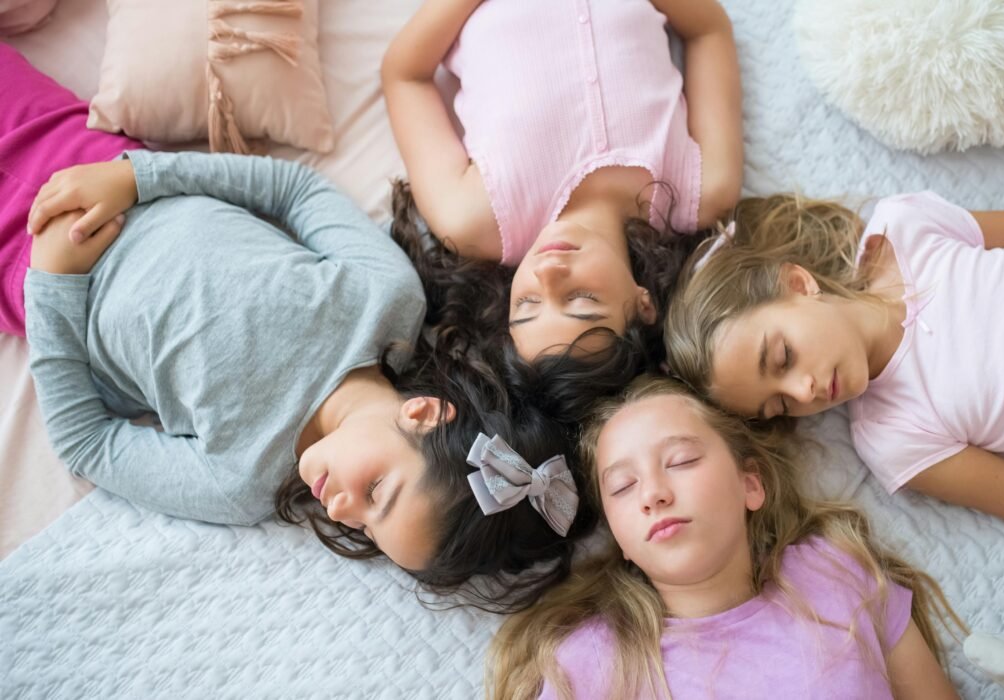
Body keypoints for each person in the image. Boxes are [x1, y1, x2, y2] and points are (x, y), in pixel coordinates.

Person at [10, 45, 592, 610]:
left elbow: (88, 444)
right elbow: (295, 191)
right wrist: (136, 177)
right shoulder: (385, 300)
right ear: (423, 414)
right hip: (90, 163)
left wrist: (52, 278)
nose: (341, 511)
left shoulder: (242, 480)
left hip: (26, 268)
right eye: (375, 493)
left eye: (364, 529)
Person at [664, 190, 1004, 538]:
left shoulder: (905, 228)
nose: (804, 392)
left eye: (782, 357)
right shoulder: (895, 436)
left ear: (797, 283)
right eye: (780, 405)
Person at [490, 377, 961, 699]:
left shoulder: (834, 571)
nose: (653, 494)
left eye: (681, 461)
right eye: (623, 487)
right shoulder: (588, 665)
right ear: (621, 540)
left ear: (750, 485)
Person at [381, 0, 742, 362]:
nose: (548, 272)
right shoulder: (701, 190)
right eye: (582, 301)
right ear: (643, 305)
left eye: (527, 304)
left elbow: (405, 75)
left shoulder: (471, 219)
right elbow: (708, 32)